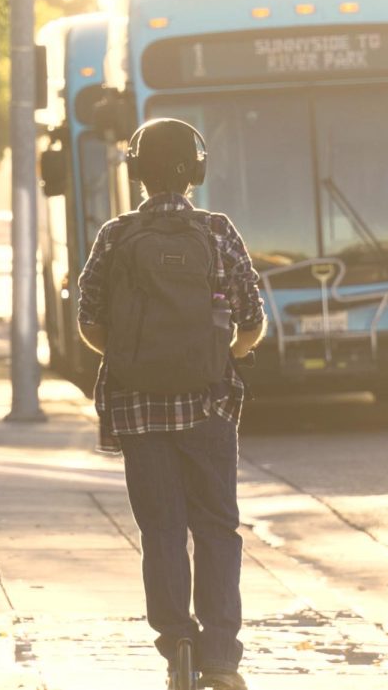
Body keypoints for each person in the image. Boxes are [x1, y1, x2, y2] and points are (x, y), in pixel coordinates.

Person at [77, 118, 266, 690]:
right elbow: (252, 319)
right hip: (210, 406)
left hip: (137, 409)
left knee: (161, 529)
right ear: (196, 170)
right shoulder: (216, 230)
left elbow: (88, 319)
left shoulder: (115, 234)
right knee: (217, 529)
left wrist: (132, 360)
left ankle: (176, 643)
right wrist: (220, 355)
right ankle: (221, 659)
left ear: (136, 172)